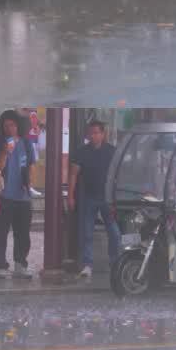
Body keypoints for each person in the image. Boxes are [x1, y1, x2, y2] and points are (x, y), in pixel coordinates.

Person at [0, 110, 36, 279]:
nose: (10, 129)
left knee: (23, 232)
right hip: (4, 195)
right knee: (1, 231)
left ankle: (20, 264)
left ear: (18, 126)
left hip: (22, 195)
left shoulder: (26, 143)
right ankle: (1, 265)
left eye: (13, 125)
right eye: (6, 125)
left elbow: (30, 164)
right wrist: (5, 151)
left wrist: (29, 182)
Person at [69, 119, 120, 279]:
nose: (93, 136)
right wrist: (70, 195)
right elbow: (73, 174)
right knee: (87, 232)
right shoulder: (81, 152)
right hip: (89, 197)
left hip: (107, 198)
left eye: (97, 133)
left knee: (114, 232)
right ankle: (87, 264)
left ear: (103, 134)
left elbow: (118, 175)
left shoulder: (112, 151)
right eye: (91, 133)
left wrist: (116, 199)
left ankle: (115, 262)